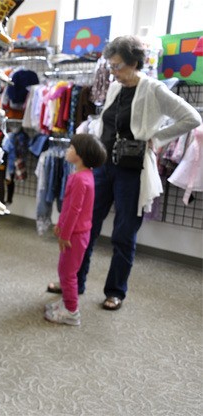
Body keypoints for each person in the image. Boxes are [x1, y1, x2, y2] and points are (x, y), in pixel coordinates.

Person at [47, 36, 202, 311]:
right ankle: (74, 281)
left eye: (118, 66)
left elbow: (192, 118)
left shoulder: (153, 89)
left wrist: (156, 138)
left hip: (132, 171)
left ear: (134, 63)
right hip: (103, 168)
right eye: (111, 67)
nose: (113, 72)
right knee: (87, 227)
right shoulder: (115, 88)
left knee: (124, 233)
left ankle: (115, 291)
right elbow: (105, 126)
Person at [45, 134, 107, 326]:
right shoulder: (81, 176)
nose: (67, 150)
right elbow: (69, 207)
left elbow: (75, 210)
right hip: (76, 232)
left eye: (71, 148)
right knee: (65, 270)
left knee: (67, 273)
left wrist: (65, 234)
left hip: (75, 235)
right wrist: (60, 224)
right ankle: (66, 304)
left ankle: (72, 311)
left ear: (80, 155)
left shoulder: (81, 179)